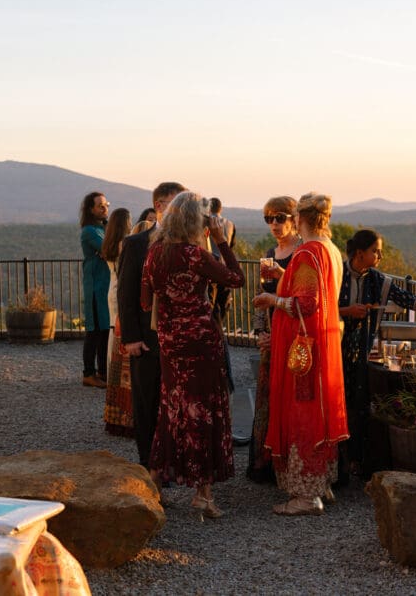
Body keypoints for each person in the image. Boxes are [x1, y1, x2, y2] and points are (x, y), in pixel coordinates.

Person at [142, 192, 245, 518]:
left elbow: (146, 303)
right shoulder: (194, 256)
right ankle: (203, 493)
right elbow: (237, 278)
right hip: (201, 343)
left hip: (171, 344)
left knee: (172, 409)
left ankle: (155, 483)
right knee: (204, 411)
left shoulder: (153, 254)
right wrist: (221, 241)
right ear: (196, 222)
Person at [252, 192, 347, 516]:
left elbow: (306, 304)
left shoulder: (308, 252)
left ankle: (306, 495)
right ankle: (323, 484)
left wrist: (272, 301)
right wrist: (283, 278)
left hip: (303, 349)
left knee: (302, 414)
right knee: (319, 413)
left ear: (298, 219)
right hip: (324, 344)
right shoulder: (330, 250)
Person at [338, 228, 416, 478]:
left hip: (363, 352)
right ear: (360, 253)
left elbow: (405, 298)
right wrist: (348, 311)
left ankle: (356, 460)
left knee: (360, 402)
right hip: (334, 346)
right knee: (338, 400)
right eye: (375, 251)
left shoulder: (378, 279)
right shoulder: (337, 274)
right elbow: (324, 305)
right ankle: (336, 460)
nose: (380, 255)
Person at [117, 181, 185, 471]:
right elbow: (126, 292)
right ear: (159, 206)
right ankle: (149, 465)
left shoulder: (189, 244)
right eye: (176, 204)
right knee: (146, 405)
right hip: (145, 340)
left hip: (179, 340)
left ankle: (171, 462)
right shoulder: (135, 244)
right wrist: (131, 338)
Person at [247, 196, 301, 483]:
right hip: (272, 336)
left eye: (280, 217)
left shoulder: (303, 252)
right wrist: (261, 334)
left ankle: (293, 465)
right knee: (269, 400)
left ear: (294, 218)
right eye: (269, 219)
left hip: (294, 336)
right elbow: (261, 300)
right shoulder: (270, 252)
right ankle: (268, 462)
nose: (274, 224)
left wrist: (282, 276)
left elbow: (303, 299)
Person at [101, 208, 134, 436]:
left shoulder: (108, 245)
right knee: (119, 333)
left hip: (111, 291)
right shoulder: (126, 244)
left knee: (114, 332)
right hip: (120, 291)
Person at [79, 192, 110, 388]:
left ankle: (102, 372)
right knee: (94, 331)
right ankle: (88, 373)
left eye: (106, 204)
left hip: (105, 287)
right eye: (100, 205)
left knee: (104, 331)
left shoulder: (103, 229)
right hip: (95, 287)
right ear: (91, 209)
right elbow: (110, 249)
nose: (104, 208)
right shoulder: (90, 231)